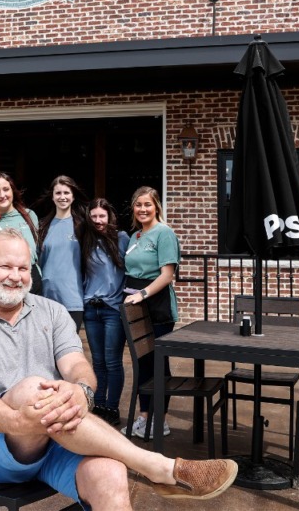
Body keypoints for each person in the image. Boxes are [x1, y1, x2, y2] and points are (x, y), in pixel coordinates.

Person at [0, 229, 236, 509]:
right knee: (34, 388)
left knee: (110, 471)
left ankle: (152, 467)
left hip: (55, 435)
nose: (16, 277)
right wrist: (18, 421)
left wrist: (81, 392)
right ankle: (158, 466)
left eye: (23, 268)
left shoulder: (51, 311)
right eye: (6, 267)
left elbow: (77, 365)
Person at [122, 186, 181, 440]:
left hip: (156, 306)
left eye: (147, 205)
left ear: (156, 206)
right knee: (143, 363)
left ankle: (161, 420)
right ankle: (144, 417)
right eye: (138, 205)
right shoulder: (135, 236)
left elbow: (167, 275)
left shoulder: (164, 234)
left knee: (158, 363)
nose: (143, 209)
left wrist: (142, 294)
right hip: (136, 307)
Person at [79, 198, 129, 427]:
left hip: (113, 309)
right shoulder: (84, 241)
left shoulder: (122, 239)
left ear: (109, 217)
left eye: (102, 216)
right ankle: (98, 405)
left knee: (113, 361)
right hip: (91, 308)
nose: (98, 221)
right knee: (97, 362)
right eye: (94, 216)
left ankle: (112, 407)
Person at [37, 175, 88, 330]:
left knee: (70, 350)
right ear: (52, 197)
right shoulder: (43, 227)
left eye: (66, 193)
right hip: (47, 299)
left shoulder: (82, 226)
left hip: (73, 298)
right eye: (58, 193)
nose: (62, 197)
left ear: (73, 196)